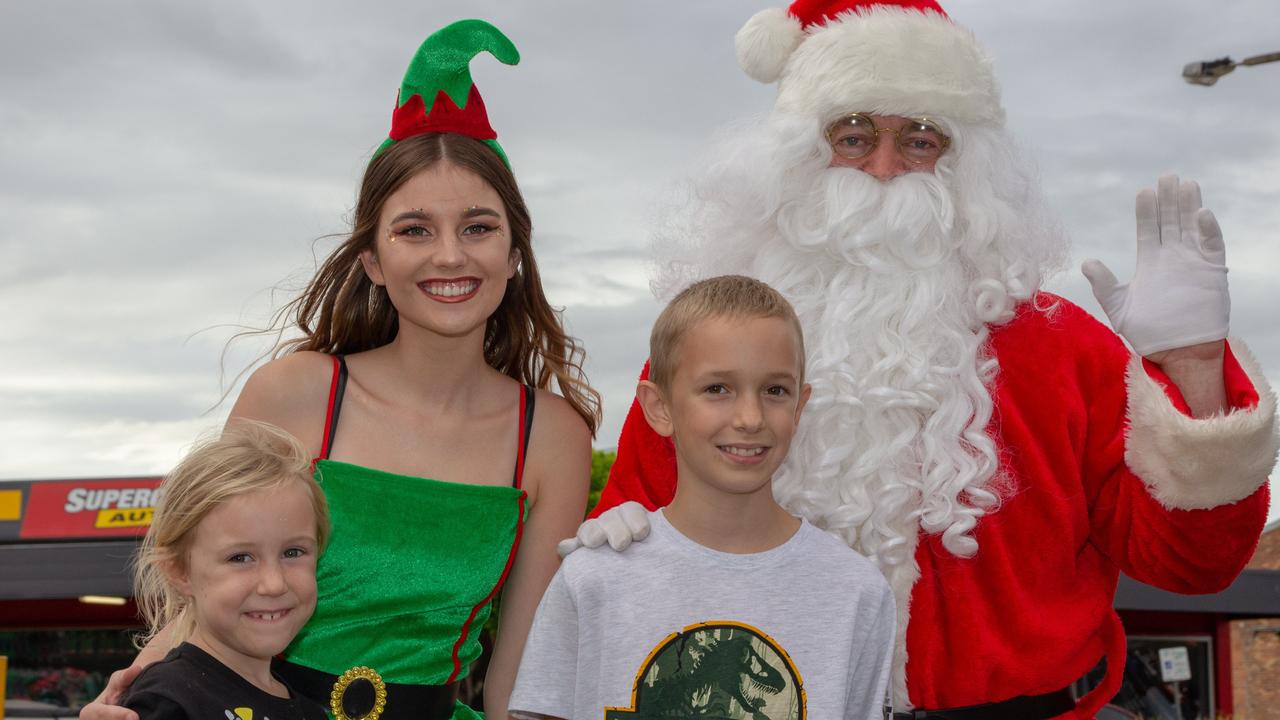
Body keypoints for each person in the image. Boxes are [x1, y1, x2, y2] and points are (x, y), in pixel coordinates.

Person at [578, 1, 1278, 718]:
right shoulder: (706, 351)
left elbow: (1194, 567)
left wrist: (1194, 368)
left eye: (920, 140)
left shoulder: (1061, 348)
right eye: (852, 136)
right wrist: (620, 555)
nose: (884, 169)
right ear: (795, 158)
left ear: (968, 166)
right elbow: (638, 546)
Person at [87, 19, 597, 720]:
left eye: (478, 227)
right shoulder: (295, 394)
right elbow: (203, 601)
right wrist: (127, 695)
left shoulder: (552, 435)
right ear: (374, 263)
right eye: (414, 229)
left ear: (514, 256)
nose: (449, 256)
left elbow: (520, 673)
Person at [510, 275, 895, 720]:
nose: (750, 418)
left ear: (799, 406)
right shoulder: (593, 580)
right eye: (717, 389)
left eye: (775, 390)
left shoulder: (857, 593)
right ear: (659, 408)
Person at [123, 420, 330, 720]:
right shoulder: (167, 700)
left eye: (293, 552)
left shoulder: (310, 712)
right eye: (241, 558)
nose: (273, 584)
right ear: (180, 572)